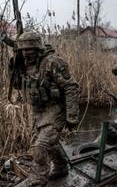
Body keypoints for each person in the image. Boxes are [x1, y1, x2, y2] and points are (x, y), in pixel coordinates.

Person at [10, 31, 80, 187]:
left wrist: (72, 116)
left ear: (38, 47)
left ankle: (39, 177)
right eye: (23, 49)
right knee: (51, 144)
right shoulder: (25, 64)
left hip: (56, 109)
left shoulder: (53, 63)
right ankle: (61, 167)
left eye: (30, 49)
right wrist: (14, 69)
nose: (26, 53)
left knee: (41, 145)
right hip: (39, 111)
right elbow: (16, 86)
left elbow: (71, 87)